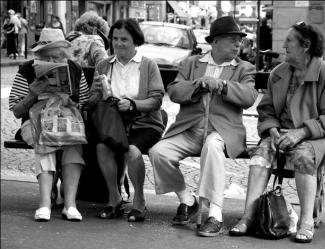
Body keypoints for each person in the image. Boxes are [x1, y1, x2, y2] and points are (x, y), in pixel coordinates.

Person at [228, 21, 325, 243]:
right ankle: (248, 216)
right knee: (260, 156)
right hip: (282, 132)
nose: (284, 45)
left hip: (322, 136)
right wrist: (271, 130)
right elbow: (266, 109)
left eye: (289, 40)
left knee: (303, 155)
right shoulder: (279, 73)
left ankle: (305, 222)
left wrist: (300, 133)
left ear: (306, 45)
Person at [149, 16, 258, 237]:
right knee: (158, 152)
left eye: (240, 41)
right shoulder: (191, 63)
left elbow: (249, 96)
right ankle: (188, 201)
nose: (238, 45)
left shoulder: (244, 68)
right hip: (189, 129)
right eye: (232, 40)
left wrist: (224, 85)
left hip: (223, 132)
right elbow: (175, 91)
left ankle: (215, 214)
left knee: (212, 145)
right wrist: (198, 85)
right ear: (215, 42)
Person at [8, 28, 90, 222]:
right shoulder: (27, 69)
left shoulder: (74, 69)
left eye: (57, 58)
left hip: (65, 119)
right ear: (40, 56)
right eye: (49, 58)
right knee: (43, 138)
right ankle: (45, 203)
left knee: (72, 141)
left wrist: (73, 102)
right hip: (34, 122)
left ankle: (70, 204)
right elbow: (16, 109)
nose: (53, 63)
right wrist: (33, 94)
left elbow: (85, 104)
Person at [92, 18, 165, 221]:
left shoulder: (148, 65)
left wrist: (133, 104)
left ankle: (139, 200)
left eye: (124, 39)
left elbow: (156, 99)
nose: (118, 43)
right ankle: (114, 197)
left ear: (135, 40)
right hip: (114, 124)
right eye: (115, 38)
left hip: (145, 123)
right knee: (101, 148)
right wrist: (97, 93)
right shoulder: (104, 65)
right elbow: (90, 102)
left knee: (132, 151)